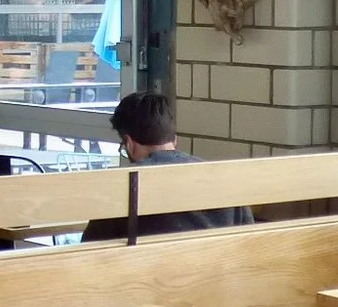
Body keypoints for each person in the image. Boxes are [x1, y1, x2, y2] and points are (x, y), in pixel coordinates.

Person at [80, 91, 254, 240]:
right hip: (220, 268)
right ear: (174, 139)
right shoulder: (223, 178)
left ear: (129, 143)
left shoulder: (123, 184)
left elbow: (91, 247)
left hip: (149, 269)